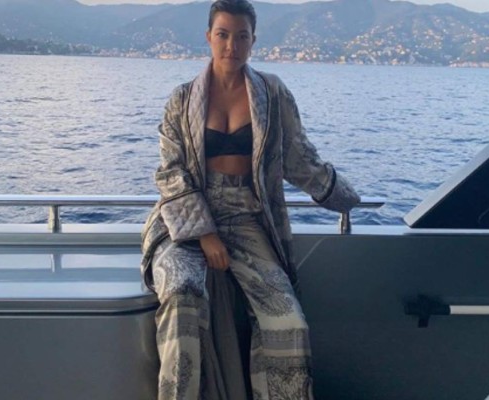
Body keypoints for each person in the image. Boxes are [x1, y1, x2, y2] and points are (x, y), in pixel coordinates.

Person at [140, 0, 361, 398]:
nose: (232, 46)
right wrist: (205, 233)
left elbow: (299, 158)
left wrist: (344, 197)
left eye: (241, 36)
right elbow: (170, 172)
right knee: (182, 296)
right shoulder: (181, 99)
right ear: (208, 37)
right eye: (223, 35)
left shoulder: (272, 94)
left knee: (288, 321)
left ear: (253, 40)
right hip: (183, 224)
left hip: (247, 218)